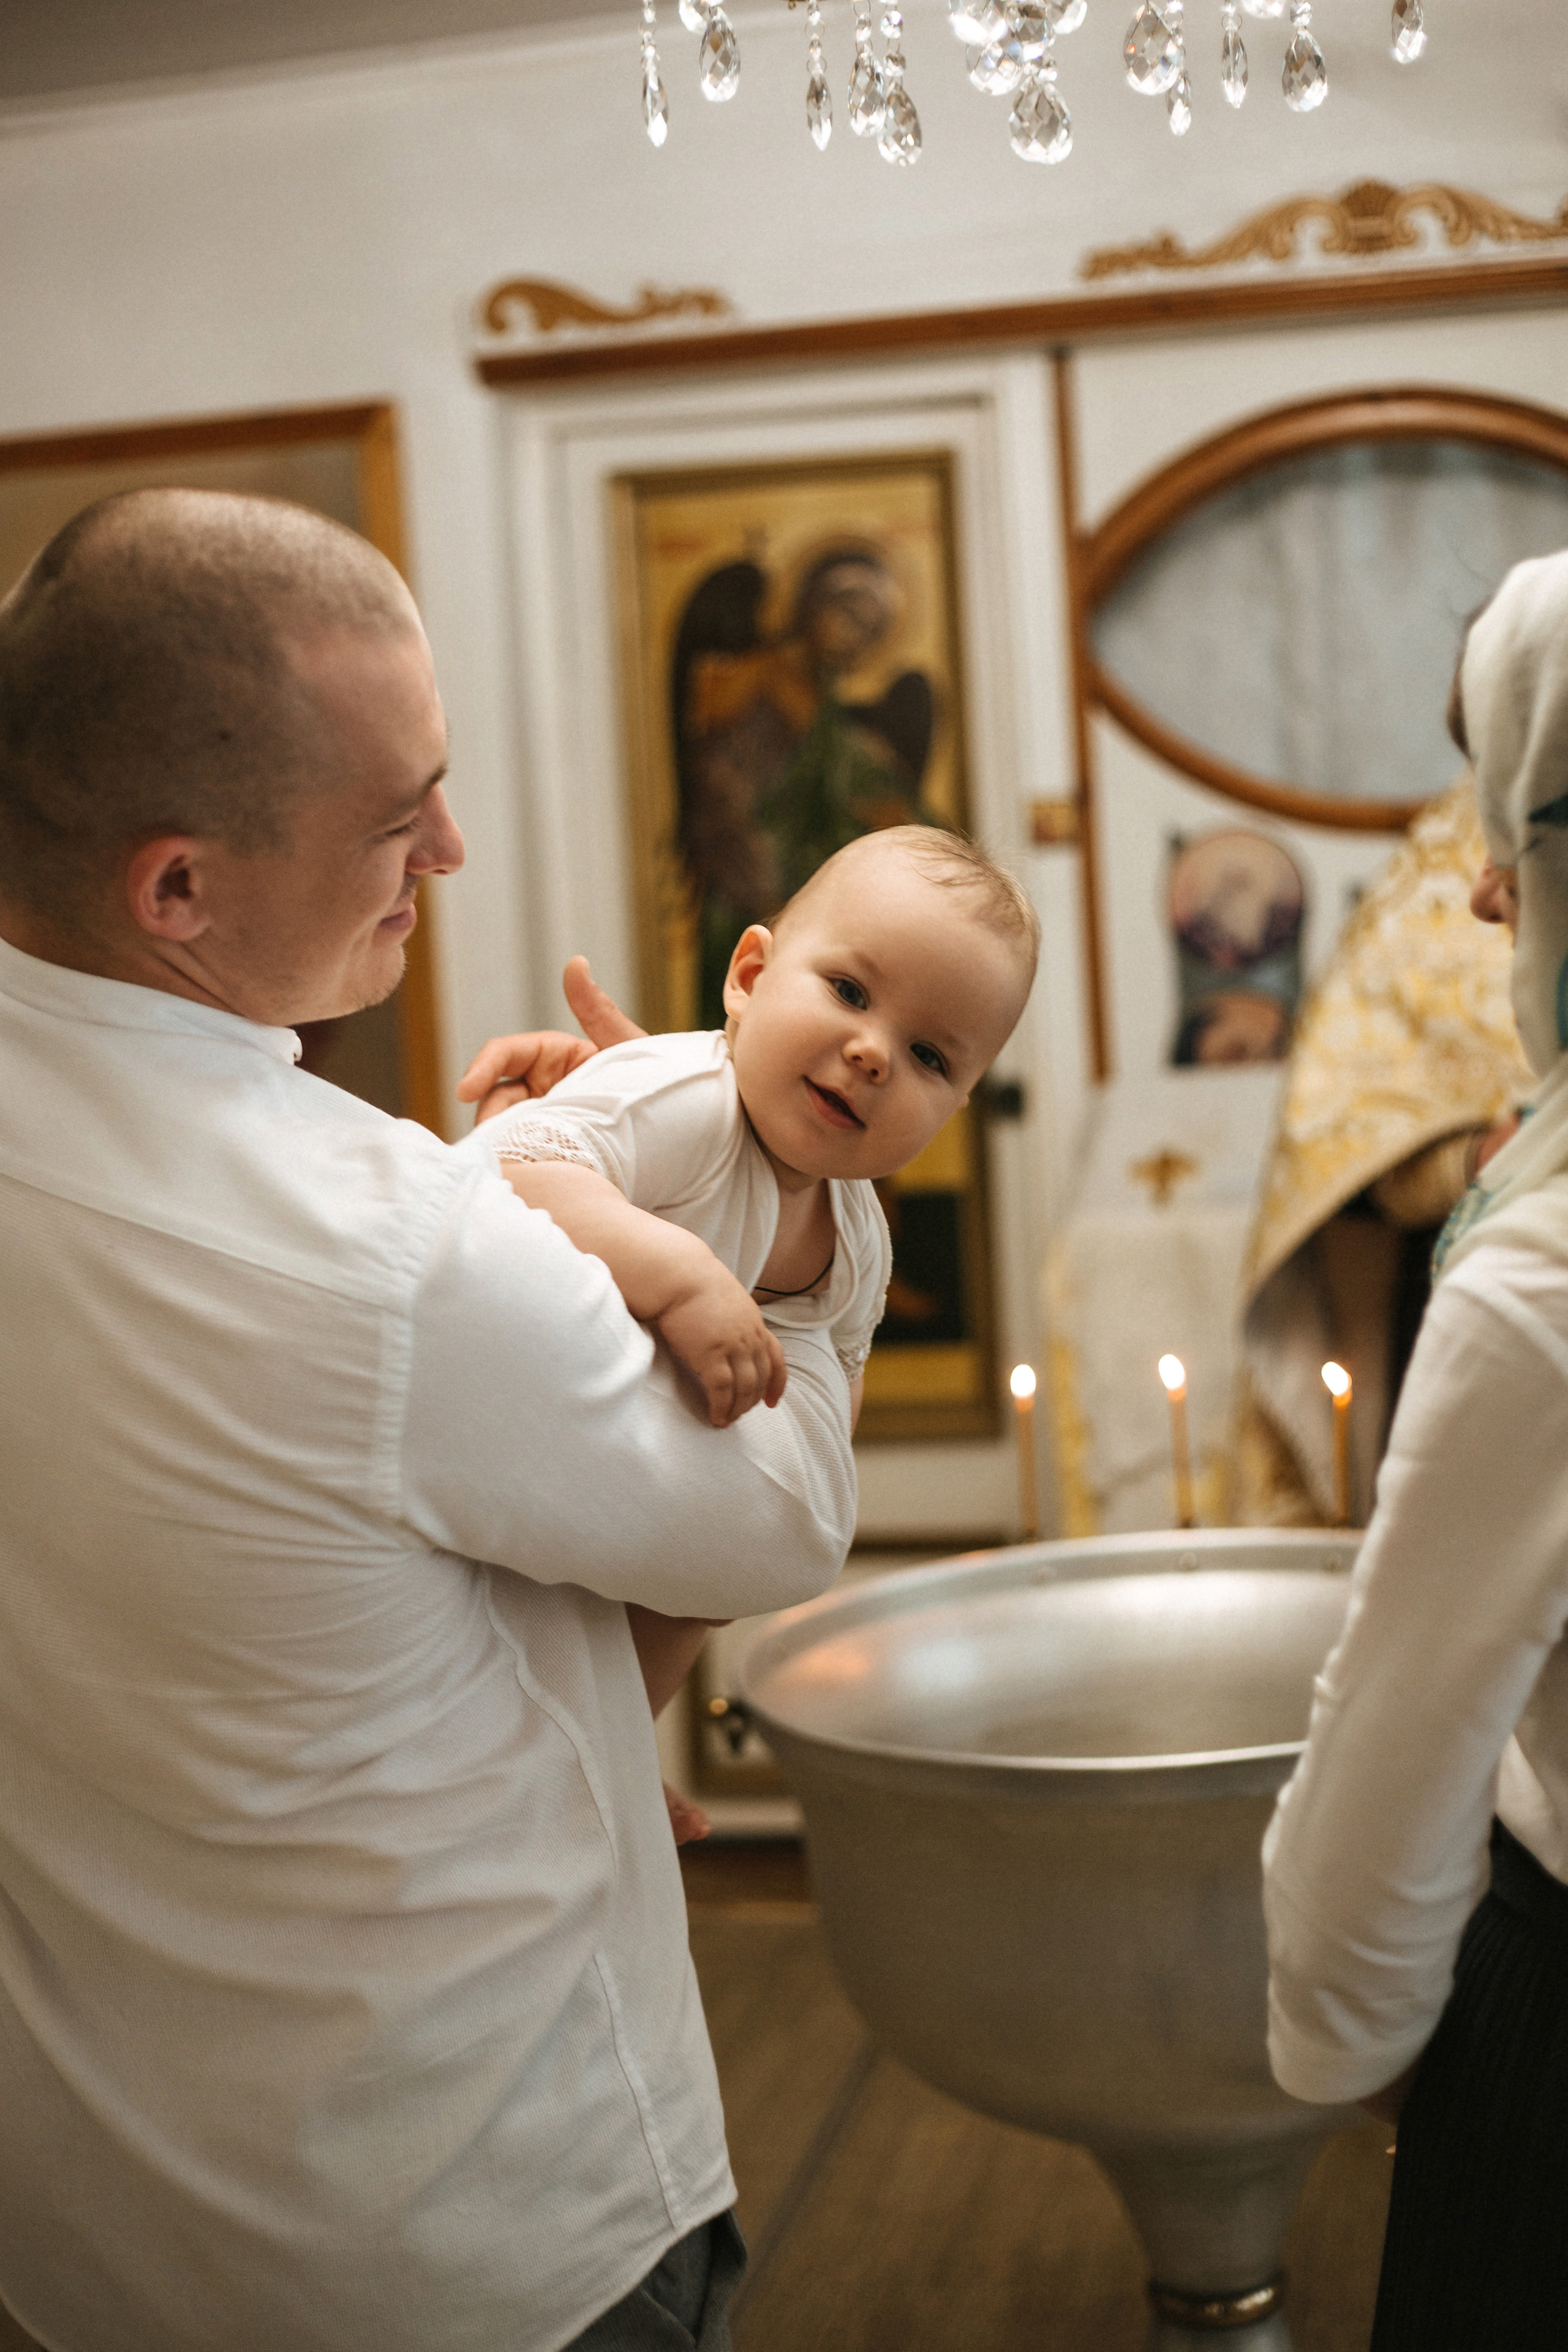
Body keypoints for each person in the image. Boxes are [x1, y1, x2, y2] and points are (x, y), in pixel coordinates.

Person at [0, 488, 856, 2352]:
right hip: (472, 2244)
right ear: (177, 889)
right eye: (402, 816)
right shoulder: (390, 1245)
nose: (451, 848)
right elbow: (770, 1514)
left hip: (87, 2238)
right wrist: (757, 1221)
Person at [1262, 548, 1568, 2347]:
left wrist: (1360, 2042)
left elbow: (1387, 1781)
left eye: (1514, 818)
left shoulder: (1544, 1262)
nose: (1472, 888)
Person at [462, 826, 1039, 1719]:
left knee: (693, 1597)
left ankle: (621, 1746)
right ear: (750, 977)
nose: (874, 1052)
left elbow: (837, 1378)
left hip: (648, 1489)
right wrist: (681, 1274)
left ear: (956, 1108)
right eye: (849, 991)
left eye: (930, 1057)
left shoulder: (859, 1235)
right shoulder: (691, 1099)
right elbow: (500, 1166)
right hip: (511, 1446)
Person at [1238, 775, 1529, 1525]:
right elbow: (1346, 1148)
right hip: (1478, 1326)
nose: (1486, 899)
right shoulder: (1454, 850)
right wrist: (1473, 1160)